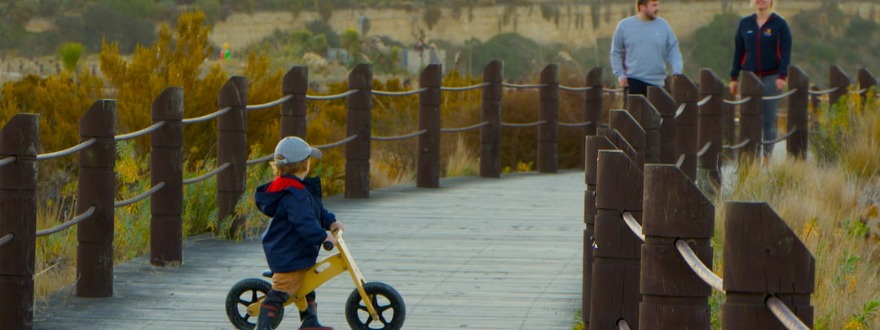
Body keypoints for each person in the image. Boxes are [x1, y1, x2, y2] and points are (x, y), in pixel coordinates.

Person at [254, 136, 343, 330]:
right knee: (283, 289)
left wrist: (330, 221)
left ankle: (309, 322)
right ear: (304, 165)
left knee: (308, 283)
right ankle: (263, 325)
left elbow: (316, 211)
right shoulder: (294, 195)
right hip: (288, 253)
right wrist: (322, 236)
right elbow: (304, 222)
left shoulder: (299, 190)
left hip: (296, 250)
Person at [729, 0, 792, 157]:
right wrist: (734, 77)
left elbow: (786, 52)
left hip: (772, 77)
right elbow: (739, 52)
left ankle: (766, 156)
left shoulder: (780, 24)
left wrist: (782, 76)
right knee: (748, 117)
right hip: (750, 77)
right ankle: (748, 155)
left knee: (768, 118)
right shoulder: (745, 24)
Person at [610, 0, 683, 96]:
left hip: (658, 83)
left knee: (658, 111)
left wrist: (677, 71)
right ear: (642, 7)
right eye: (654, 5)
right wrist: (620, 74)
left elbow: (673, 50)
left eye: (658, 5)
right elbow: (616, 52)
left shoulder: (663, 26)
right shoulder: (624, 26)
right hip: (633, 81)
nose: (658, 9)